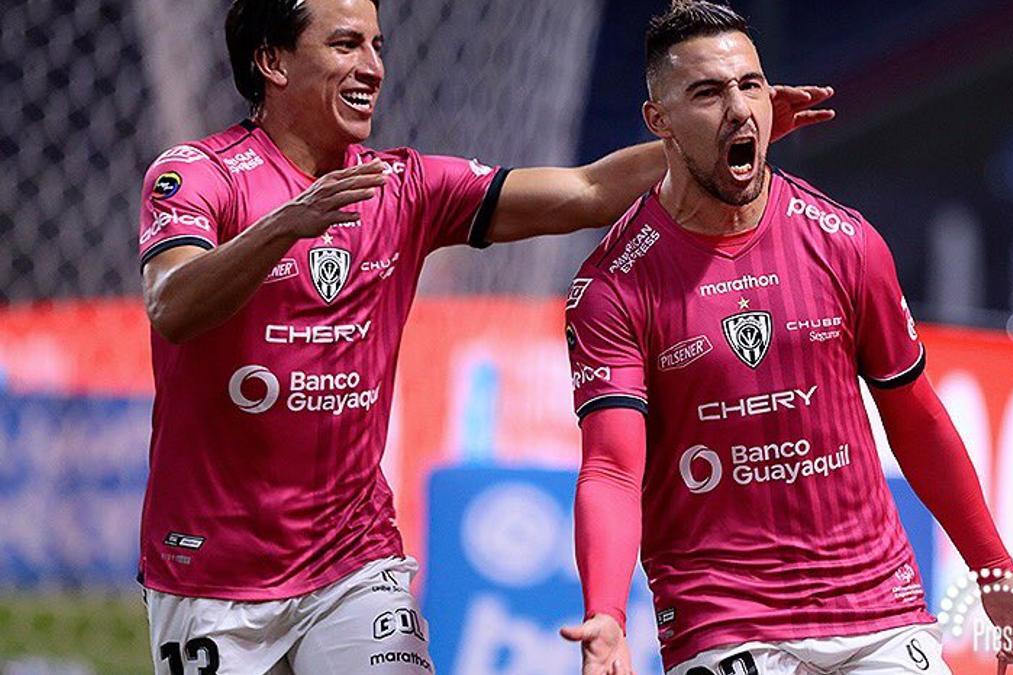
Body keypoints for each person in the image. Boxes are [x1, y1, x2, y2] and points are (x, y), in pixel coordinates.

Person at [135, 0, 833, 672]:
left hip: (351, 562)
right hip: (210, 571)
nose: (373, 66)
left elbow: (586, 191)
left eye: (377, 46)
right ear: (272, 60)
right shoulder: (199, 174)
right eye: (346, 44)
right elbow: (172, 304)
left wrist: (703, 139)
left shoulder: (404, 186)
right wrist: (287, 223)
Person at [559, 3, 1013, 674]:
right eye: (709, 93)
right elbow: (610, 467)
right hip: (727, 623)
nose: (739, 110)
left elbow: (916, 417)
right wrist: (606, 612)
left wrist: (994, 571)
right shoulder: (613, 285)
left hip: (879, 612)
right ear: (658, 120)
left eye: (750, 86)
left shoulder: (844, 241)